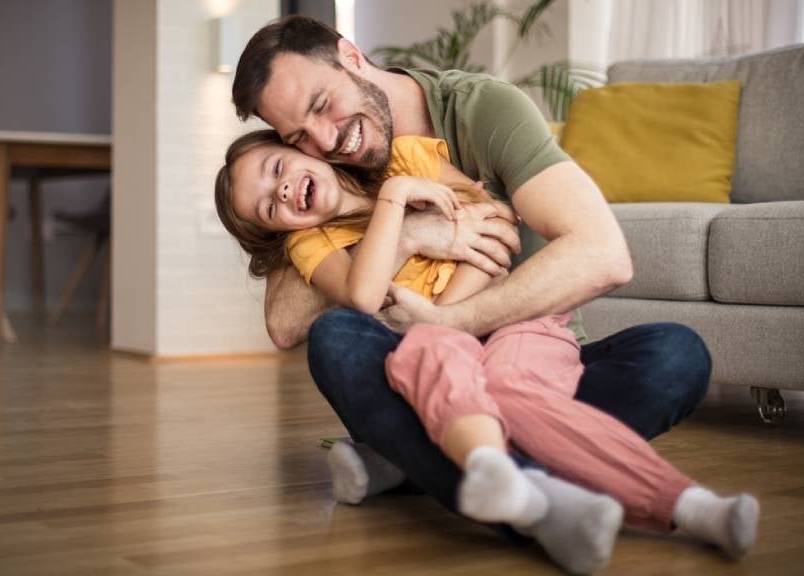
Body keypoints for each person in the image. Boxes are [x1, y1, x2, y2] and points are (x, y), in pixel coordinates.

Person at [230, 13, 712, 570]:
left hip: (532, 356)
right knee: (337, 337)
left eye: (321, 105)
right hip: (419, 368)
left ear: (352, 56)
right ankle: (536, 490)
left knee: (676, 355)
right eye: (297, 137)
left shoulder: (480, 109)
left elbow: (604, 254)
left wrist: (449, 320)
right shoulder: (318, 171)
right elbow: (285, 322)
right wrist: (413, 233)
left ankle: (421, 465)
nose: (325, 139)